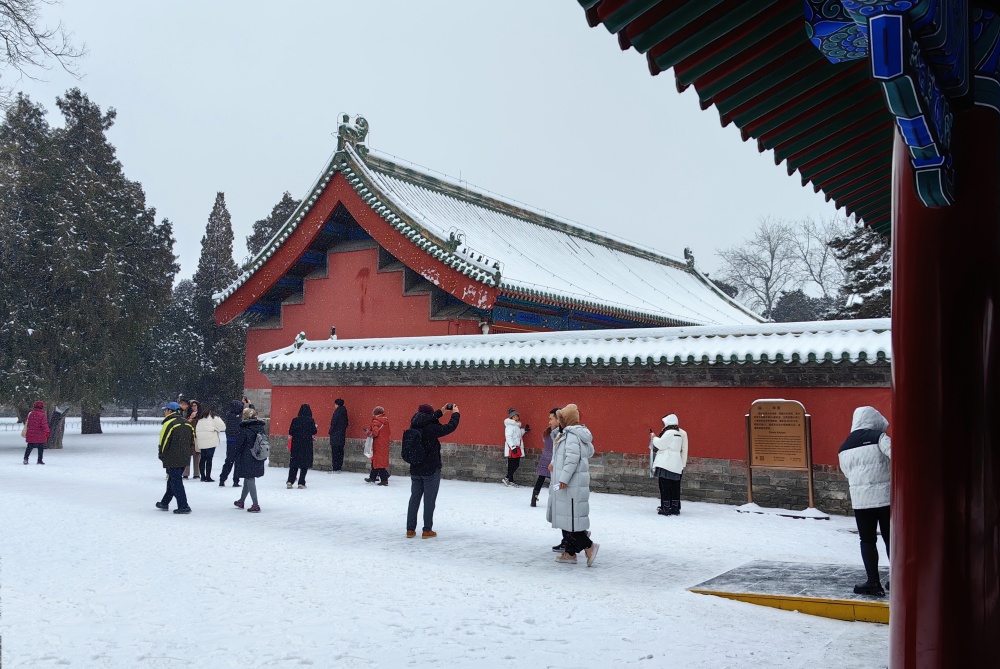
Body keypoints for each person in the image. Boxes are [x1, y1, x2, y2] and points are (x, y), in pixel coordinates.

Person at [838, 406, 892, 597]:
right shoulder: (879, 437)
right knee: (890, 538)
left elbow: (846, 472)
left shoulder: (844, 446)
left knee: (867, 540)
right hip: (886, 498)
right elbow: (896, 455)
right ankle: (897, 577)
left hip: (861, 502)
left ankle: (873, 582)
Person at [548, 404, 599, 566]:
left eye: (561, 418)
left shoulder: (571, 435)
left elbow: (571, 459)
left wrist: (563, 478)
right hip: (574, 483)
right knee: (569, 518)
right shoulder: (579, 435)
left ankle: (589, 546)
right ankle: (570, 553)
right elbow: (588, 451)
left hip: (570, 484)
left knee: (570, 520)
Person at [406, 403, 460, 538]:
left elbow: (428, 419)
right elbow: (450, 427)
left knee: (414, 499)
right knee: (429, 501)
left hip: (415, 468)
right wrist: (455, 414)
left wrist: (441, 411)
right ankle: (427, 530)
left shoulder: (414, 424)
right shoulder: (431, 429)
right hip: (430, 469)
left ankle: (410, 529)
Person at [155, 402, 195, 514]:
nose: (164, 412)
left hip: (172, 458)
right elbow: (192, 441)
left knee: (176, 481)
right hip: (184, 457)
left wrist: (162, 455)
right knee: (172, 480)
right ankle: (165, 502)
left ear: (170, 411)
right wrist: (188, 453)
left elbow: (163, 442)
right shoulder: (187, 424)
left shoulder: (169, 424)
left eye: (166, 410)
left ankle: (183, 505)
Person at [649, 414, 689, 516]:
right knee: (675, 487)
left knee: (664, 486)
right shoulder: (678, 433)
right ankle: (675, 508)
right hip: (675, 464)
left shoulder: (669, 433)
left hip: (666, 463)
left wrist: (654, 438)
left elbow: (661, 444)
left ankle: (665, 508)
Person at [235, 407, 266, 512]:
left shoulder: (244, 428)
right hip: (258, 455)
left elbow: (239, 444)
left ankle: (255, 504)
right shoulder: (260, 427)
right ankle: (241, 500)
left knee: (249, 478)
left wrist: (234, 454)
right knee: (248, 478)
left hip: (247, 455)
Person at [530, 408, 559, 507]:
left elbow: (544, 440)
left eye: (551, 419)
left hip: (545, 457)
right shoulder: (558, 433)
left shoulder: (547, 432)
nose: (549, 421)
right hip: (554, 458)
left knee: (541, 479)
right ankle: (555, 500)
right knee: (555, 480)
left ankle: (534, 496)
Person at [287, 404, 318, 489]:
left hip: (296, 444)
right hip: (306, 445)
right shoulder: (310, 420)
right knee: (304, 464)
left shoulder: (295, 420)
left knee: (294, 463)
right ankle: (301, 482)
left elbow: (291, 431)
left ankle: (290, 481)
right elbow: (314, 431)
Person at [195, 404, 226, 482]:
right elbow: (223, 427)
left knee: (202, 458)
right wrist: (216, 429)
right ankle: (208, 477)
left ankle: (202, 476)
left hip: (201, 440)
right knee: (209, 459)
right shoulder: (214, 418)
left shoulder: (201, 419)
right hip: (211, 440)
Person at [219, 400, 244, 488]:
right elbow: (250, 413)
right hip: (238, 442)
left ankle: (222, 479)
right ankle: (236, 481)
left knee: (228, 461)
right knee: (238, 462)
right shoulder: (239, 417)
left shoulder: (229, 415)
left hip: (230, 442)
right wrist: (249, 404)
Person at [364, 406, 391, 485]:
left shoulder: (375, 421)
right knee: (378, 460)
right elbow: (389, 432)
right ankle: (372, 477)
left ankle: (384, 479)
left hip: (377, 444)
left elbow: (375, 433)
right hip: (384, 443)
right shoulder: (386, 421)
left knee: (379, 462)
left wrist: (367, 432)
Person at [502, 408, 528, 487]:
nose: (518, 417)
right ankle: (507, 478)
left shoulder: (516, 426)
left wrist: (524, 430)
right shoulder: (510, 426)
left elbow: (518, 435)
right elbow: (509, 437)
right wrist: (513, 447)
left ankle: (510, 480)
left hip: (517, 447)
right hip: (512, 448)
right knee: (513, 464)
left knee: (515, 464)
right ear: (513, 417)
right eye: (517, 416)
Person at [23, 401, 51, 465]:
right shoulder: (42, 415)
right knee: (40, 447)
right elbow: (44, 424)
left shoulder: (31, 414)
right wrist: (47, 431)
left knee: (29, 446)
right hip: (40, 433)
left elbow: (29, 423)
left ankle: (26, 459)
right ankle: (39, 460)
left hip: (31, 432)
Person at [328, 398, 348, 472]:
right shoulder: (344, 412)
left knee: (335, 452)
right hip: (341, 434)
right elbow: (346, 423)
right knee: (340, 451)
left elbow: (334, 423)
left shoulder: (337, 412)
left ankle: (335, 467)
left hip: (335, 435)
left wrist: (330, 431)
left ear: (337, 404)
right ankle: (339, 466)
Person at [183, 399, 202, 479]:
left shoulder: (201, 415)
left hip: (197, 437)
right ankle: (186, 473)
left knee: (197, 455)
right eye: (192, 406)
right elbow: (184, 425)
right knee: (187, 455)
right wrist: (190, 418)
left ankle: (197, 473)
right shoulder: (186, 415)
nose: (194, 407)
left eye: (195, 405)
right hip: (188, 437)